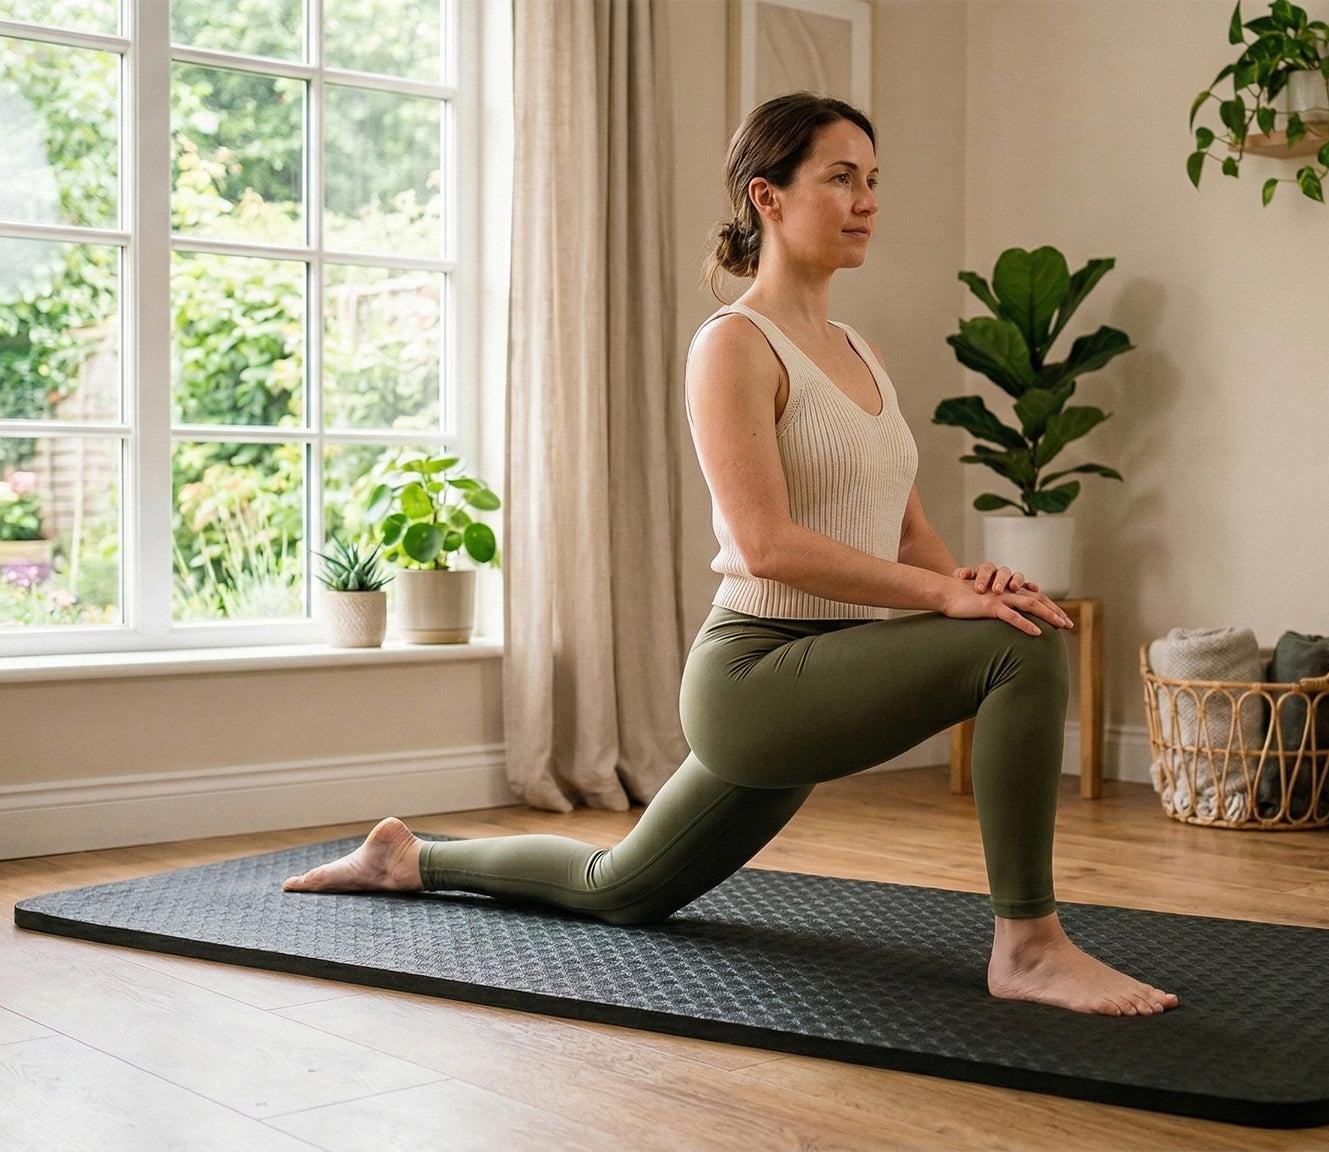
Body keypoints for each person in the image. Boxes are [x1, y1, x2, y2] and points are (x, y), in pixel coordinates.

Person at [284, 91, 1178, 1018]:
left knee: (617, 886)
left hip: (829, 668)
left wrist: (966, 582)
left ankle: (408, 856)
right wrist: (948, 604)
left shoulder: (859, 352)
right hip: (756, 677)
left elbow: (907, 534)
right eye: (840, 177)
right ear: (768, 196)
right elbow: (767, 543)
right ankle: (1028, 948)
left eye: (873, 180)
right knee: (1022, 648)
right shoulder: (732, 347)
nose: (867, 198)